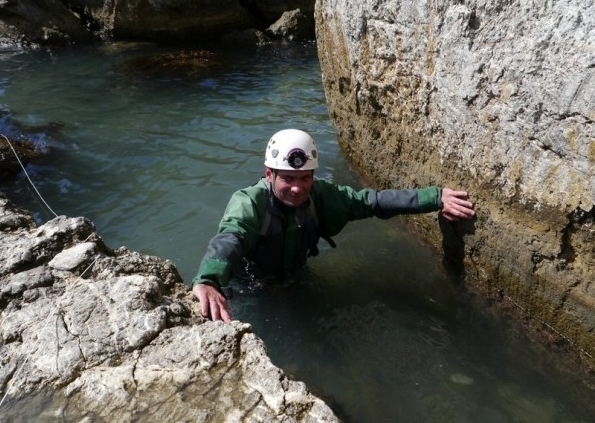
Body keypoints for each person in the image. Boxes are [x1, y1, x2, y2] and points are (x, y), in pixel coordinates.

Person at [192, 129, 475, 322]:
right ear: (269, 174)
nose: (297, 188)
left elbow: (373, 202)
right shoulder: (249, 203)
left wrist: (435, 197)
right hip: (250, 288)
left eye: (305, 178)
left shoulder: (320, 196)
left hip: (295, 277)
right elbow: (230, 239)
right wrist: (209, 279)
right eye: (288, 179)